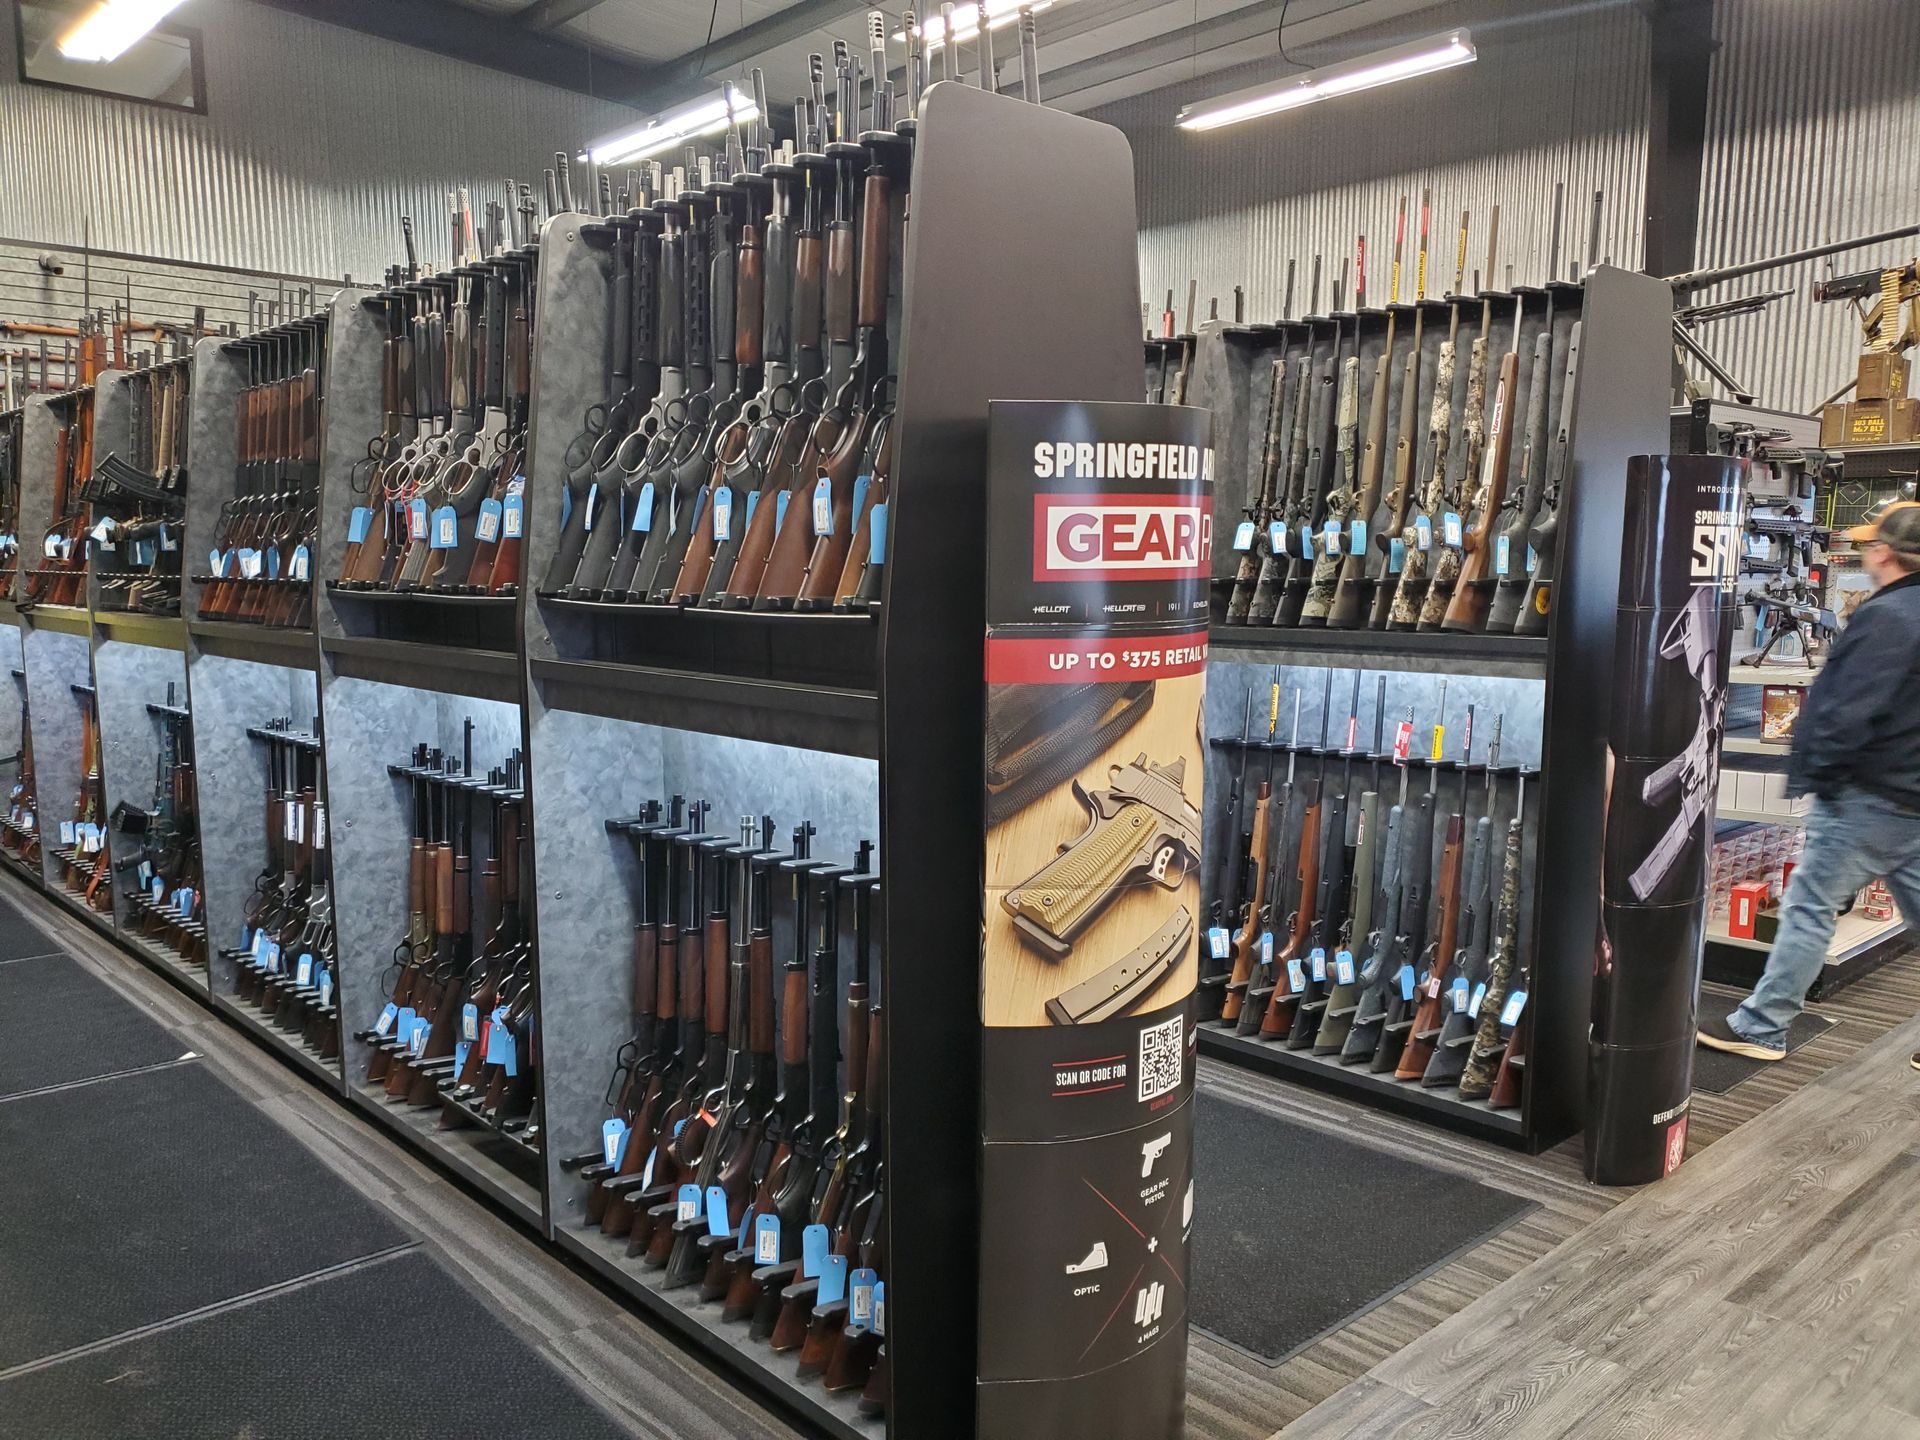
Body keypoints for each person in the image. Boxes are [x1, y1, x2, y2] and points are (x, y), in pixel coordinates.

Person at [1697, 499, 1920, 1064]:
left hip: (1869, 796)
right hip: (1906, 794)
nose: (1866, 552)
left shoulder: (1888, 617)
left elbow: (1848, 711)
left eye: (1872, 544)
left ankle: (1761, 1027)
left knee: (1808, 907)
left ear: (1886, 554)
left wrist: (1818, 776)